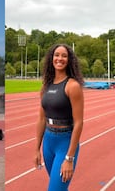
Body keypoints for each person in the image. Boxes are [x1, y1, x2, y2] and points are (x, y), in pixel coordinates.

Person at [34, 44, 84, 190]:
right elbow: (41, 119)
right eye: (57, 55)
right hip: (48, 143)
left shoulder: (72, 86)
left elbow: (79, 123)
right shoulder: (46, 86)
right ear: (51, 58)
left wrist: (69, 157)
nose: (59, 58)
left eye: (64, 56)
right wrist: (37, 149)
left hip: (65, 142)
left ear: (69, 60)